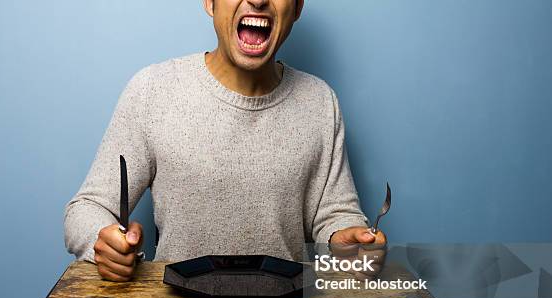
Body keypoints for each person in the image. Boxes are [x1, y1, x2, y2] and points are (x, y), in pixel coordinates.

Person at [64, 0, 387, 282]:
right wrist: (102, 243)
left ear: (297, 8)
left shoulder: (319, 100)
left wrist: (348, 241)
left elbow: (334, 213)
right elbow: (88, 208)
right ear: (210, 2)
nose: (258, 0)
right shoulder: (153, 90)